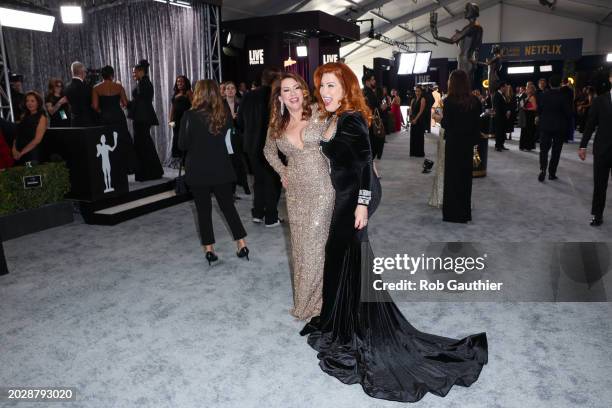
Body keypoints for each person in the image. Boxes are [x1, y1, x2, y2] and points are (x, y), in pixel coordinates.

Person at [300, 62, 487, 403]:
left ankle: (352, 327)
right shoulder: (333, 116)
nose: (325, 92)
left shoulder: (352, 118)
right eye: (321, 86)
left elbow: (365, 163)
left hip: (355, 198)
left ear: (345, 87)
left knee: (351, 257)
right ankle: (337, 320)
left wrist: (361, 204)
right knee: (338, 258)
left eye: (331, 85)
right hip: (342, 198)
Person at [263, 72, 334, 320]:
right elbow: (268, 151)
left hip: (322, 188)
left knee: (315, 246)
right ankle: (305, 302)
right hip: (295, 193)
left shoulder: (319, 111)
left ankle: (320, 304)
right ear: (280, 97)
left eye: (296, 88)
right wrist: (283, 171)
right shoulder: (277, 124)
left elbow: (343, 136)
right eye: (286, 90)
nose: (292, 94)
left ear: (304, 91)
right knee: (301, 248)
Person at [178, 79, 249, 265]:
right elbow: (228, 142)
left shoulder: (189, 115)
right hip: (221, 168)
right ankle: (242, 244)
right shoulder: (224, 114)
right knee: (228, 208)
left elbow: (182, 145)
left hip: (198, 170)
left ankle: (209, 250)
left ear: (198, 93)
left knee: (203, 211)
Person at [236, 67, 283, 227]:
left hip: (251, 145)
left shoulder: (248, 96)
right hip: (272, 145)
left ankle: (258, 213)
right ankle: (271, 217)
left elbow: (240, 122)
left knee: (259, 180)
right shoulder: (276, 96)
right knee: (272, 181)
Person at [442, 70, 482, 223]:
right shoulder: (475, 102)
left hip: (453, 145)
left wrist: (440, 119)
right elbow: (476, 125)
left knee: (452, 179)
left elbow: (447, 124)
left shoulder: (449, 102)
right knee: (465, 179)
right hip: (467, 146)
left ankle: (451, 214)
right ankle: (464, 213)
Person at [579, 71, 612, 226]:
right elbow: (590, 125)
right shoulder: (600, 101)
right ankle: (597, 215)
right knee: (600, 185)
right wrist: (583, 145)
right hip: (602, 150)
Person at [92, 65, 136, 174]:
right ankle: (125, 168)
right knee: (121, 142)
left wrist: (102, 112)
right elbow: (125, 103)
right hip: (118, 116)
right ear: (112, 75)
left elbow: (95, 106)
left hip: (105, 118)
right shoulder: (119, 87)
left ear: (102, 75)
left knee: (108, 142)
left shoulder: (96, 88)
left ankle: (113, 170)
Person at [128, 59, 164, 182]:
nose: (133, 75)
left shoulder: (144, 84)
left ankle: (148, 172)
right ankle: (151, 171)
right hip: (142, 117)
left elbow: (140, 102)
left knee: (142, 144)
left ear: (141, 71)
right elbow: (139, 102)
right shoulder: (143, 83)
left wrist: (128, 104)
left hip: (142, 118)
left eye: (134, 72)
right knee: (144, 143)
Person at [537, 75, 572, 182]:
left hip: (545, 126)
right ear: (560, 84)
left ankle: (543, 169)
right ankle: (552, 173)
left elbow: (539, 110)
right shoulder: (564, 96)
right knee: (556, 151)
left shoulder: (544, 95)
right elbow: (568, 113)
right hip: (559, 127)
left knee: (543, 150)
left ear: (549, 84)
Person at [224, 81, 250, 196]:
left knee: (239, 161)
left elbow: (245, 122)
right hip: (225, 137)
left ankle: (244, 184)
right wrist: (230, 119)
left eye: (232, 88)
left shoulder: (240, 104)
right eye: (227, 88)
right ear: (224, 91)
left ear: (235, 90)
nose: (230, 90)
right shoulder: (220, 104)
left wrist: (238, 119)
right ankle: (231, 189)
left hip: (238, 136)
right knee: (229, 162)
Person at [12, 92, 47, 165]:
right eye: (27, 101)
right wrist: (14, 149)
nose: (29, 103)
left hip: (31, 153)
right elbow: (17, 133)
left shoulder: (42, 117)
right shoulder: (24, 115)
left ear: (38, 102)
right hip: (18, 152)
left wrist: (21, 153)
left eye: (32, 101)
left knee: (30, 175)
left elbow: (37, 140)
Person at [169, 75, 192, 166]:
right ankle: (181, 161)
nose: (179, 83)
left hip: (185, 120)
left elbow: (194, 105)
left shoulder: (189, 93)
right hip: (176, 121)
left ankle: (187, 161)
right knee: (177, 139)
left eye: (181, 81)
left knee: (185, 139)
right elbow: (172, 109)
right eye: (178, 81)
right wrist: (170, 121)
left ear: (185, 83)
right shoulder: (175, 94)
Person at [64, 61, 95, 127]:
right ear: (82, 72)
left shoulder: (67, 87)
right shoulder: (86, 87)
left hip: (74, 122)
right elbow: (92, 104)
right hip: (87, 122)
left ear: (72, 72)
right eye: (85, 72)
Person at [362, 72, 385, 159]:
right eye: (373, 79)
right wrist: (381, 108)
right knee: (375, 144)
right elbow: (370, 108)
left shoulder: (364, 92)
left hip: (367, 122)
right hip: (371, 122)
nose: (374, 81)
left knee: (372, 145)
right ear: (367, 81)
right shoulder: (368, 93)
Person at [409, 85, 427, 157]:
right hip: (413, 119)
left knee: (419, 136)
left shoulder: (423, 99)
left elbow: (421, 111)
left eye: (418, 91)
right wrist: (410, 119)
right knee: (413, 136)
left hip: (419, 120)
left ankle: (419, 153)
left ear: (421, 92)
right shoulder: (413, 100)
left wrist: (415, 119)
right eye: (416, 91)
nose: (417, 92)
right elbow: (410, 110)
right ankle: (413, 152)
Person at [519, 83, 538, 151]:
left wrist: (527, 109)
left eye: (528, 88)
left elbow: (535, 108)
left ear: (531, 90)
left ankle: (528, 146)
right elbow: (521, 104)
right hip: (526, 115)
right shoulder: (526, 96)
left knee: (528, 131)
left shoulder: (532, 97)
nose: (526, 89)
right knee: (524, 131)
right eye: (526, 88)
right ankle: (524, 146)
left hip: (530, 116)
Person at [492, 82, 509, 151]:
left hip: (502, 116)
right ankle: (497, 146)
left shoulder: (502, 95)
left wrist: (507, 111)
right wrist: (504, 113)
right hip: (499, 116)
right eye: (505, 87)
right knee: (498, 131)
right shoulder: (497, 95)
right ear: (502, 87)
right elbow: (497, 107)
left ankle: (501, 144)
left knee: (502, 131)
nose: (506, 88)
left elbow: (503, 105)